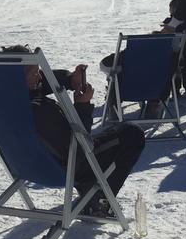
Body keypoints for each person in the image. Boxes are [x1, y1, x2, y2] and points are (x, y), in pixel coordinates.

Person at [9, 45, 144, 215]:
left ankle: (91, 191)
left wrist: (70, 78)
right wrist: (82, 106)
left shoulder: (8, 99)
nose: (39, 77)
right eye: (34, 73)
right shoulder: (41, 112)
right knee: (132, 134)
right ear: (19, 78)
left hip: (27, 165)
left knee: (115, 132)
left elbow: (44, 80)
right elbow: (79, 145)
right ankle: (98, 201)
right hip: (67, 164)